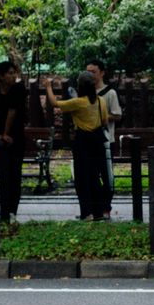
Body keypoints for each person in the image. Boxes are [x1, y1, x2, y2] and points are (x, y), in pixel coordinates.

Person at [44, 72, 110, 221]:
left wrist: (48, 87)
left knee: (82, 178)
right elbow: (105, 121)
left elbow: (55, 104)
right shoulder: (100, 101)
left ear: (80, 86)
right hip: (98, 141)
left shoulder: (78, 102)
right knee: (95, 177)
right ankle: (98, 212)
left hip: (83, 141)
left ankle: (86, 213)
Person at [0, 61, 28, 222]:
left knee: (15, 174)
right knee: (0, 173)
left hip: (16, 138)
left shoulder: (18, 90)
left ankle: (11, 211)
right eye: (9, 73)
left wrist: (7, 133)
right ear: (1, 76)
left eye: (14, 72)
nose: (13, 75)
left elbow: (13, 112)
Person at [85, 62, 123, 214]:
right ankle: (95, 208)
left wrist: (100, 117)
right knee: (90, 175)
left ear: (102, 73)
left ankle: (106, 207)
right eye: (87, 72)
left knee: (106, 175)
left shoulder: (110, 93)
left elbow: (117, 114)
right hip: (88, 140)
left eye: (93, 72)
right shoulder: (84, 93)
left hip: (106, 139)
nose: (90, 75)